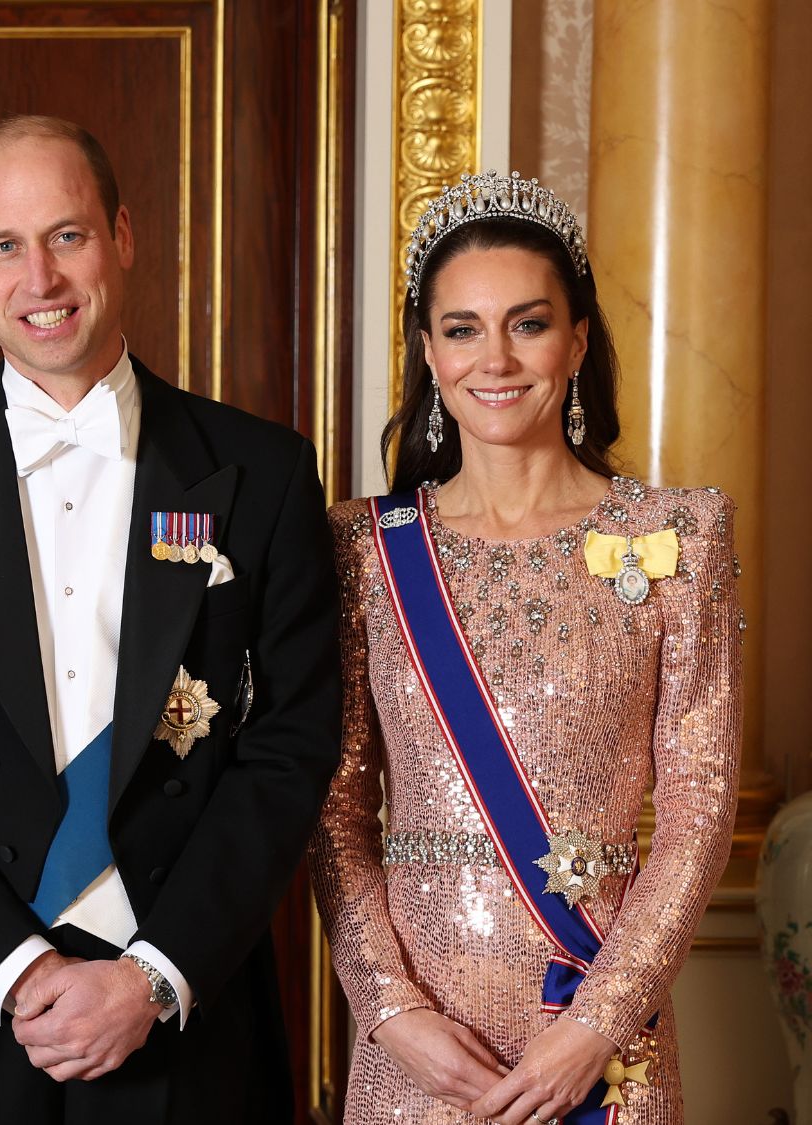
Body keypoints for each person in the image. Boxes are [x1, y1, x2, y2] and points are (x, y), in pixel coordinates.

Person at [0, 114, 342, 1123]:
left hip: (186, 1008)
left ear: (123, 236)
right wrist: (12, 970)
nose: (39, 279)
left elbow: (289, 747)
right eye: (6, 246)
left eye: (67, 236)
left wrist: (153, 976)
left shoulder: (261, 472)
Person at [314, 171, 741, 1125]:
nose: (494, 358)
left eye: (529, 323)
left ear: (579, 338)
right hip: (421, 1054)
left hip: (602, 1036)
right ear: (428, 351)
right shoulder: (365, 549)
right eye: (461, 328)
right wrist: (390, 1011)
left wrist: (597, 1023)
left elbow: (700, 805)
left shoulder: (681, 536)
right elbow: (335, 810)